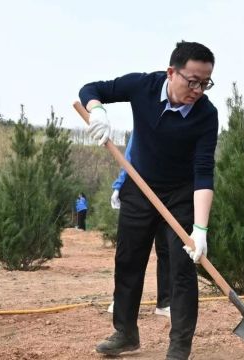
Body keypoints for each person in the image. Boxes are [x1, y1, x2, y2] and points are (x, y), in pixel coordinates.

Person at [80, 41, 218, 359]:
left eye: (205, 82)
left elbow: (203, 172)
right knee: (128, 261)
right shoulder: (143, 86)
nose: (198, 89)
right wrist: (97, 110)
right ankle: (125, 333)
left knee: (183, 267)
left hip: (181, 194)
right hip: (140, 186)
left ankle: (179, 346)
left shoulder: (206, 115)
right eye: (192, 81)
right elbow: (91, 88)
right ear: (172, 72)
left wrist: (200, 229)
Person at [108, 133, 170, 318]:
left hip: (171, 190)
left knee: (167, 248)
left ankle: (166, 302)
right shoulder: (146, 117)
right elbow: (130, 154)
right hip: (140, 188)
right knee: (130, 251)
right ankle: (122, 301)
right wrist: (120, 184)